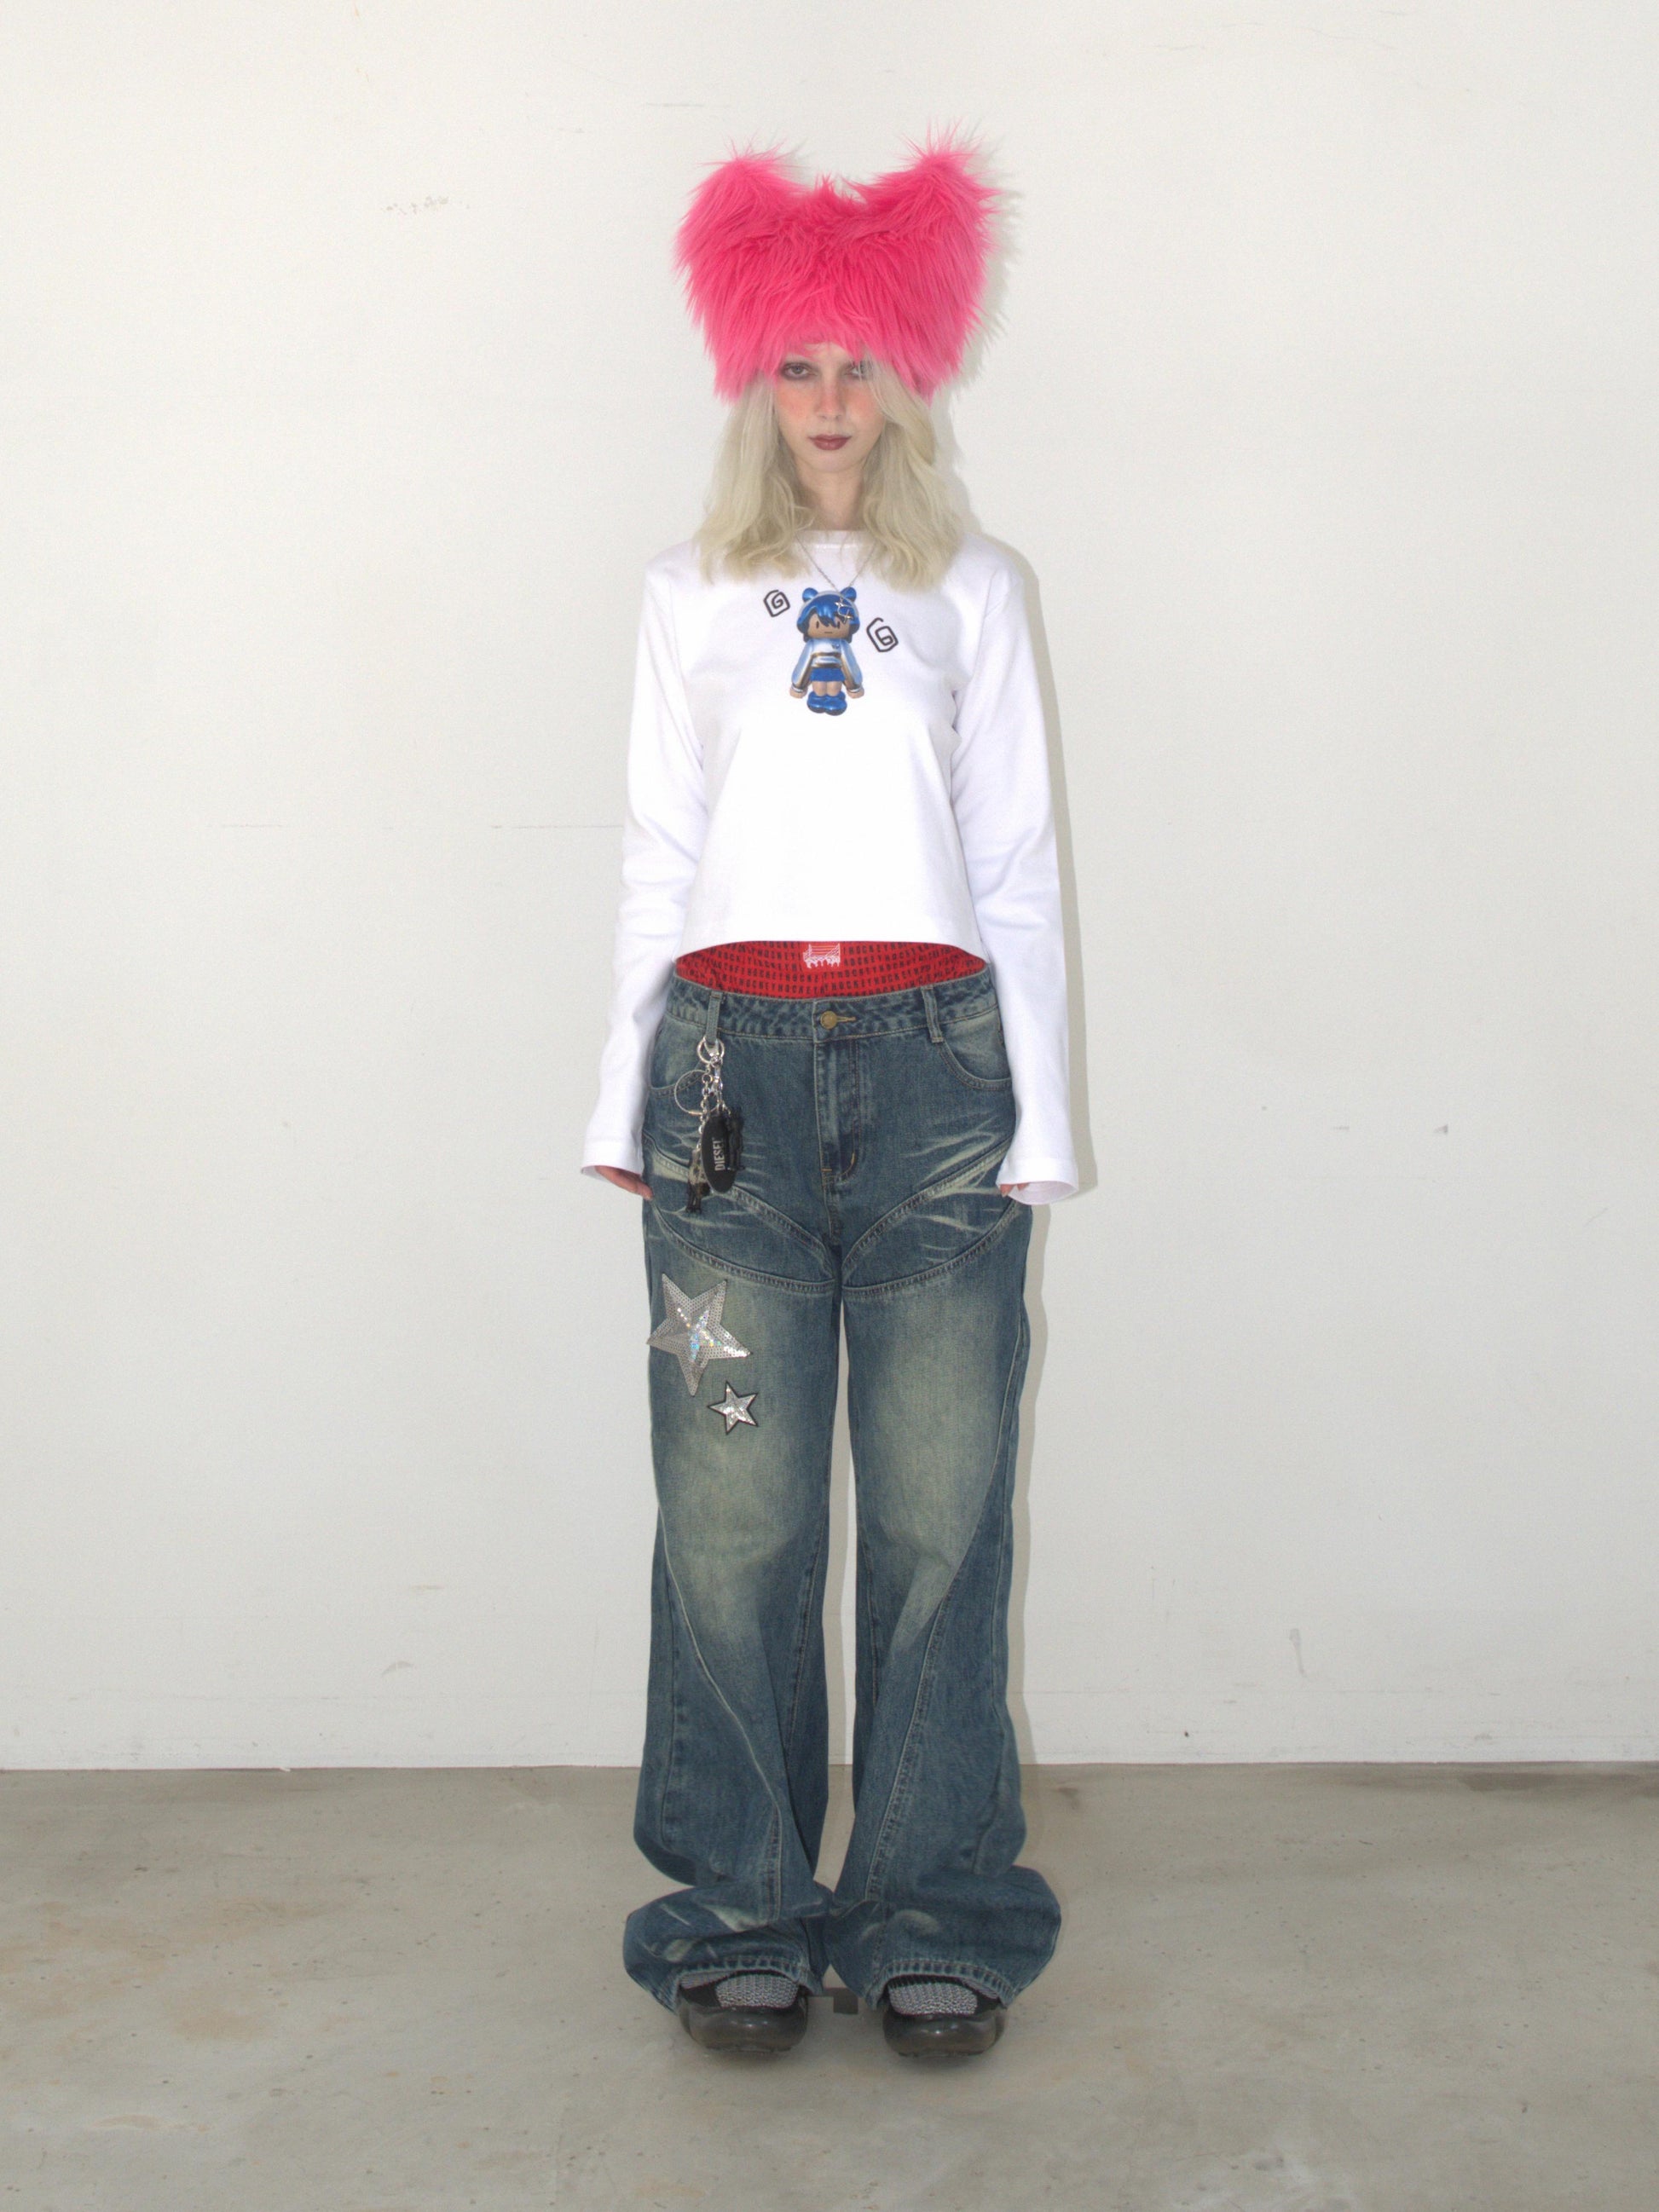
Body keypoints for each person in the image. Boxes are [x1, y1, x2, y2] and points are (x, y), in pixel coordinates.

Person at [581, 138, 1079, 2059]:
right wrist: (616, 1092)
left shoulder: (975, 590)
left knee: (942, 1516)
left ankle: (933, 1900)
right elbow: (657, 850)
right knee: (733, 1519)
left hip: (937, 1074)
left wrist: (1039, 1115)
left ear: (908, 377)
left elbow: (1014, 862)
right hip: (727, 1081)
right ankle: (739, 1900)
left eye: (857, 363)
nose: (828, 399)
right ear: (751, 380)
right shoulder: (686, 592)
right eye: (795, 364)